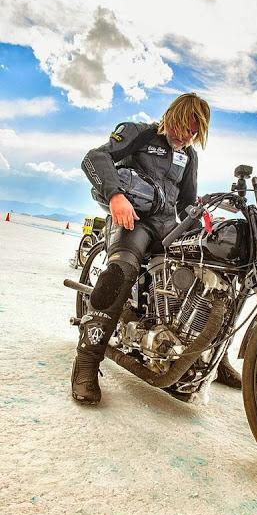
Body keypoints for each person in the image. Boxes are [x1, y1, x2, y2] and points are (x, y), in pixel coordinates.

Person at [71, 93, 242, 405]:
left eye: (194, 132)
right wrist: (115, 196)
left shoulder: (189, 156)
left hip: (167, 227)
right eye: (183, 127)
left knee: (212, 279)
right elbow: (94, 158)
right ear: (172, 116)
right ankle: (86, 362)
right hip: (133, 220)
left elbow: (186, 201)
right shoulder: (140, 134)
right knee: (119, 273)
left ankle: (215, 360)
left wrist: (204, 219)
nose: (186, 136)